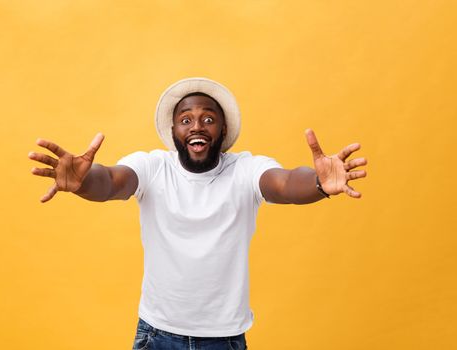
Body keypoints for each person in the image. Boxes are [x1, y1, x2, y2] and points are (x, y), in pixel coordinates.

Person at [29, 77, 367, 350]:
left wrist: (319, 184)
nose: (197, 126)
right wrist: (84, 181)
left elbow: (286, 184)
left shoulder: (246, 170)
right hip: (157, 335)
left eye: (208, 119)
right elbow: (111, 182)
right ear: (174, 131)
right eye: (186, 119)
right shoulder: (152, 166)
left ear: (221, 130)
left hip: (225, 338)